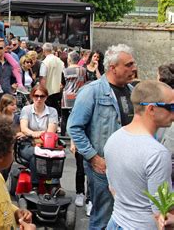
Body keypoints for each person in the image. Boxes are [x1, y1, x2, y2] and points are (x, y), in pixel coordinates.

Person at [67, 44, 137, 229]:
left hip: (127, 166)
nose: (133, 68)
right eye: (128, 65)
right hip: (103, 167)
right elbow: (74, 127)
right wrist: (93, 158)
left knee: (122, 217)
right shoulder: (92, 91)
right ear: (112, 67)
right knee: (102, 218)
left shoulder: (131, 91)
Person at [104, 80, 173, 229]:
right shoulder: (157, 154)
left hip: (115, 222)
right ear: (151, 109)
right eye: (171, 107)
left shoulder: (114, 138)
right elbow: (162, 212)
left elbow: (113, 188)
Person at [19, 85, 60, 191]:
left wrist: (33, 134)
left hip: (47, 144)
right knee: (36, 154)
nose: (39, 99)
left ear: (46, 97)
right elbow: (24, 128)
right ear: (31, 96)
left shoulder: (52, 111)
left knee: (56, 155)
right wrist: (36, 134)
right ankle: (35, 186)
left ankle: (53, 184)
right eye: (36, 96)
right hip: (27, 144)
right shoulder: (26, 109)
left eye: (42, 96)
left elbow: (51, 132)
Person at [61, 51, 87, 208]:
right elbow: (85, 82)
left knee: (66, 118)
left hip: (68, 95)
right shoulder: (83, 70)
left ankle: (65, 136)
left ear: (69, 60)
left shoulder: (65, 70)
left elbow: (62, 84)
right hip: (79, 95)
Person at [39, 43, 65, 115]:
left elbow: (43, 78)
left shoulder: (45, 63)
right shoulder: (60, 62)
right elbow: (64, 75)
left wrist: (42, 91)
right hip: (59, 91)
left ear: (43, 51)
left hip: (48, 91)